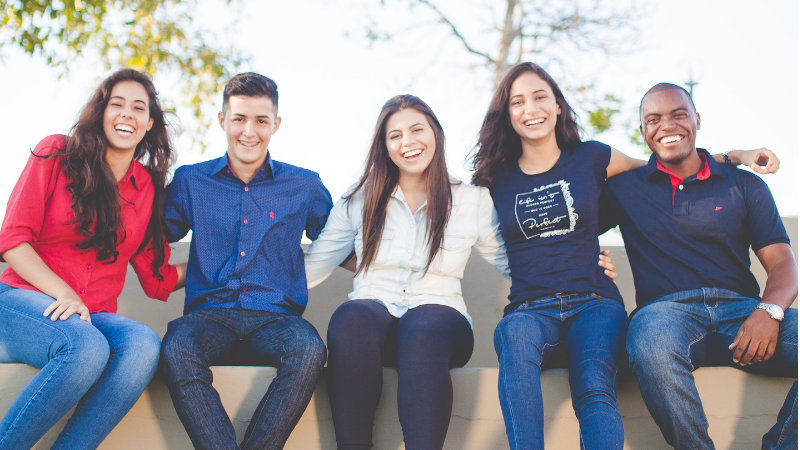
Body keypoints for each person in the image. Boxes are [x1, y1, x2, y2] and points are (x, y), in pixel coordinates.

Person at [468, 62, 779, 450]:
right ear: (507, 113)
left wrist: (736, 155)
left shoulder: (593, 157)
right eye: (518, 101)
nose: (531, 108)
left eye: (540, 96)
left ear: (558, 106)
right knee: (514, 340)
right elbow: (478, 232)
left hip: (595, 302)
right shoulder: (494, 178)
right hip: (533, 308)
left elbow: (668, 163)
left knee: (594, 384)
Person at [303, 94, 617, 450]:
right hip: (372, 322)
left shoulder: (471, 200)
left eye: (417, 129)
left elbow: (518, 263)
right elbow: (315, 263)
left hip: (440, 324)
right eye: (395, 135)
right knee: (351, 318)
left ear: (435, 134)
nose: (408, 142)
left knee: (423, 325)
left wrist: (583, 262)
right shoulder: (359, 199)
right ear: (384, 146)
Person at [600, 82, 797, 450]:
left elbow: (783, 263)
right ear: (643, 131)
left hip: (743, 312)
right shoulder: (623, 189)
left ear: (697, 120)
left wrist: (769, 312)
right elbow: (569, 227)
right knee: (651, 345)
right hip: (666, 315)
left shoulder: (745, 185)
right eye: (654, 119)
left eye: (678, 114)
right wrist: (591, 259)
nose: (666, 125)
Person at [0, 68, 186, 450]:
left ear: (149, 123)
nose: (127, 114)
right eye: (117, 104)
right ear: (101, 112)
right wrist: (64, 292)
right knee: (86, 347)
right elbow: (13, 240)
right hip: (22, 300)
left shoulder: (147, 188)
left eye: (138, 108)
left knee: (143, 345)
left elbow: (159, 278)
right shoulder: (57, 152)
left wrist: (222, 258)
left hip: (91, 315)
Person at [160, 72, 333, 450]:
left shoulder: (305, 184)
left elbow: (340, 242)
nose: (249, 131)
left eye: (261, 120)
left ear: (276, 124)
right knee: (176, 346)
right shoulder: (190, 180)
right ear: (222, 120)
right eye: (239, 119)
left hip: (277, 319)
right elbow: (151, 235)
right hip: (208, 317)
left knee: (309, 350)